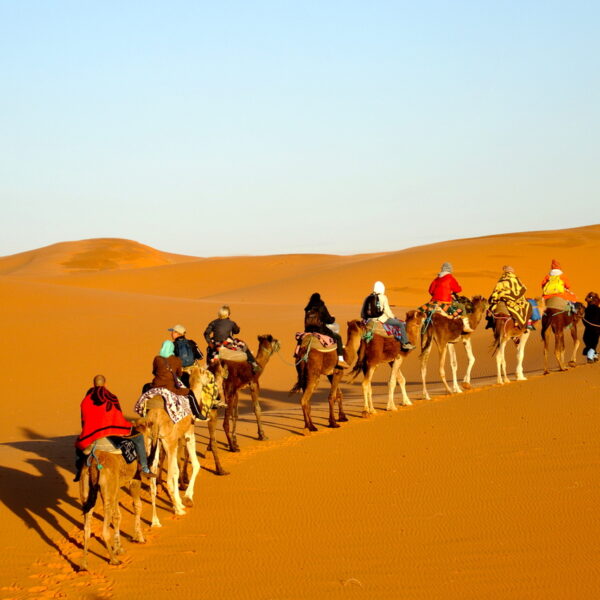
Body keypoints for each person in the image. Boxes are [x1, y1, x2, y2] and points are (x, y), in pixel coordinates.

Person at [74, 374, 155, 481]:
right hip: (112, 433)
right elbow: (118, 416)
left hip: (91, 434)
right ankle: (144, 468)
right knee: (139, 437)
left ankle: (80, 470)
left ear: (93, 384)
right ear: (105, 384)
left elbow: (83, 421)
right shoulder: (111, 397)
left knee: (78, 445)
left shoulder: (85, 400)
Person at [152, 340, 204, 419]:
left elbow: (154, 372)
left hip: (155, 386)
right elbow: (179, 374)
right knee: (190, 393)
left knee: (145, 388)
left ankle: (143, 410)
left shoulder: (157, 359)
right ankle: (197, 413)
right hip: (170, 388)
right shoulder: (177, 360)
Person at [362, 281, 415, 351]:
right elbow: (387, 310)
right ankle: (405, 343)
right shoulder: (383, 297)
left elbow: (364, 310)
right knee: (401, 324)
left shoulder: (369, 297)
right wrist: (393, 317)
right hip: (380, 318)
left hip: (368, 319)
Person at [420, 262, 473, 332]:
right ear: (450, 269)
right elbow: (458, 289)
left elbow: (430, 291)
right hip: (445, 302)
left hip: (433, 302)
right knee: (461, 306)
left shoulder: (436, 279)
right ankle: (466, 326)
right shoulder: (450, 278)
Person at [204, 305, 259, 371]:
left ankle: (208, 365)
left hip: (216, 344)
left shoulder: (213, 322)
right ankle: (253, 363)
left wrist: (210, 343)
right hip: (227, 344)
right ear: (228, 314)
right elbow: (236, 331)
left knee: (209, 350)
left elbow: (206, 333)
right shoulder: (231, 323)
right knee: (244, 345)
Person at [303, 292, 349, 368]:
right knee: (338, 337)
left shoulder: (308, 308)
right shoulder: (321, 306)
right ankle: (341, 360)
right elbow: (329, 320)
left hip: (308, 331)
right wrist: (333, 318)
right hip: (320, 330)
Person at [583, 292, 600, 363]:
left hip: (595, 328)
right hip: (590, 327)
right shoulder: (587, 309)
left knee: (592, 342)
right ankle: (594, 355)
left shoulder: (594, 309)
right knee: (587, 339)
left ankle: (590, 357)